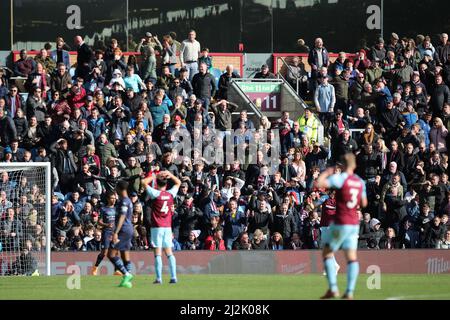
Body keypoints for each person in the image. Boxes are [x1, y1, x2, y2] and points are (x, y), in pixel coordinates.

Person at [316, 153, 368, 299]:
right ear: (355, 165)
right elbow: (364, 203)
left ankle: (333, 288)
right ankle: (349, 292)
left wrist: (326, 172)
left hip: (341, 222)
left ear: (343, 166)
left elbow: (319, 184)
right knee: (352, 258)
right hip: (354, 224)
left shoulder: (341, 179)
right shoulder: (359, 182)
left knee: (327, 252)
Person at [141, 170, 181, 284]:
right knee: (169, 253)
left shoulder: (155, 193)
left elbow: (144, 182)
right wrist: (171, 174)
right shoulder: (170, 194)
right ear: (166, 184)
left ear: (157, 184)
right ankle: (174, 277)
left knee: (157, 253)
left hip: (156, 227)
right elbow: (178, 182)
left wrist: (154, 175)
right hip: (167, 227)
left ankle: (159, 279)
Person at [109, 180, 134, 288]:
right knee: (124, 254)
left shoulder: (124, 201)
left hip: (123, 230)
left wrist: (116, 232)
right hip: (129, 229)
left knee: (111, 254)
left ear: (119, 189)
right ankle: (126, 281)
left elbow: (122, 217)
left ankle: (126, 274)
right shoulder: (128, 200)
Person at [91, 192, 117, 275]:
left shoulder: (116, 209)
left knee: (114, 252)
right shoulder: (104, 209)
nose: (114, 200)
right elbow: (99, 221)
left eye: (115, 198)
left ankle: (116, 270)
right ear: (108, 199)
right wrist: (107, 224)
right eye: (112, 198)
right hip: (106, 232)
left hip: (114, 233)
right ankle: (95, 268)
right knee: (104, 252)